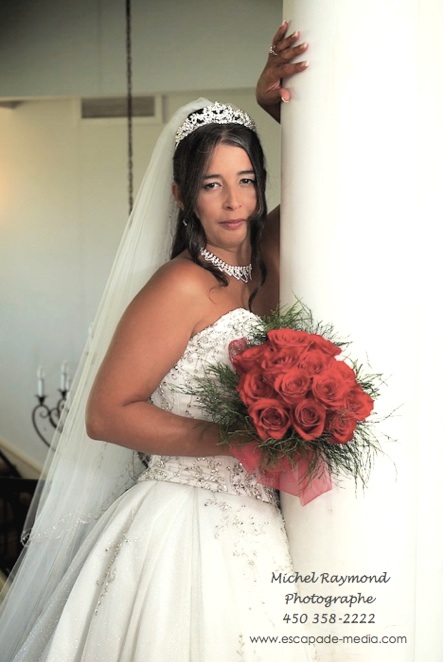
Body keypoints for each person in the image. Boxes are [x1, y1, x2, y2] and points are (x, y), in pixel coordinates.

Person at [0, 23, 315, 662]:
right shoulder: (177, 286)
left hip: (264, 524)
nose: (235, 202)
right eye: (211, 184)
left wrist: (270, 108)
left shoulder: (272, 252)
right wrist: (236, 437)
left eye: (247, 179)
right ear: (181, 196)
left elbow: (335, 174)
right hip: (183, 528)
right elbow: (105, 413)